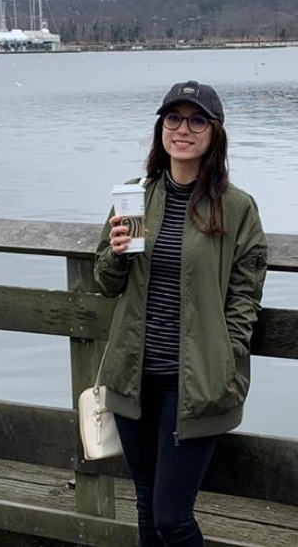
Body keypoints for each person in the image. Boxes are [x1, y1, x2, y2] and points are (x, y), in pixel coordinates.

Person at [94, 80, 268, 547]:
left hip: (194, 383)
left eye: (196, 120)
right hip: (134, 376)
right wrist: (116, 255)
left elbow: (245, 295)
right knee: (146, 503)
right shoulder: (135, 196)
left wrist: (225, 356)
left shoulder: (236, 207)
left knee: (172, 517)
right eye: (173, 118)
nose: (183, 130)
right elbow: (105, 282)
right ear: (161, 129)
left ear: (215, 132)